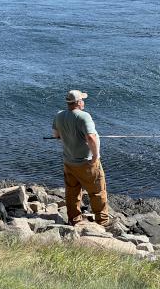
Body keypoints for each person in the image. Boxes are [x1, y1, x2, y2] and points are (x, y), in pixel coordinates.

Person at [52, 90, 109, 226]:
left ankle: (74, 219)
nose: (83, 102)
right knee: (97, 192)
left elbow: (55, 135)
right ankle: (102, 221)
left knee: (72, 192)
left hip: (69, 162)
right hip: (86, 162)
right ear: (78, 102)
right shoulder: (84, 116)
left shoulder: (59, 116)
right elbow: (90, 137)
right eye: (82, 100)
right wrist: (96, 155)